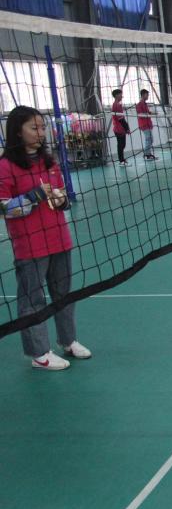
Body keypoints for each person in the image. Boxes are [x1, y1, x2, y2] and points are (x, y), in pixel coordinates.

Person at [0, 106, 91, 370]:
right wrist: (32, 197)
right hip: (30, 244)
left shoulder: (49, 162)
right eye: (34, 127)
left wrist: (62, 200)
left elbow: (60, 196)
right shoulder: (5, 166)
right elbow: (4, 207)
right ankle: (39, 353)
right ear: (18, 131)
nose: (40, 132)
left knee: (64, 294)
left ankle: (68, 340)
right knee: (33, 300)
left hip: (59, 238)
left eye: (42, 127)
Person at [136, 89, 156, 160]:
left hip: (148, 124)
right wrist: (147, 114)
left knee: (151, 139)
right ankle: (147, 155)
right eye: (147, 95)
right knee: (148, 139)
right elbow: (140, 114)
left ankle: (148, 153)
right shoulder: (139, 105)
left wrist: (153, 113)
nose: (148, 96)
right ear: (143, 95)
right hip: (144, 125)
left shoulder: (145, 104)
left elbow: (147, 112)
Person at [111, 88, 129, 166]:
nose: (122, 96)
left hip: (121, 128)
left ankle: (122, 160)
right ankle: (121, 161)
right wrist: (127, 128)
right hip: (118, 128)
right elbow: (121, 119)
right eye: (120, 94)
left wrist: (126, 128)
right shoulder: (116, 105)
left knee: (123, 144)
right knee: (121, 144)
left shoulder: (118, 105)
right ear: (116, 95)